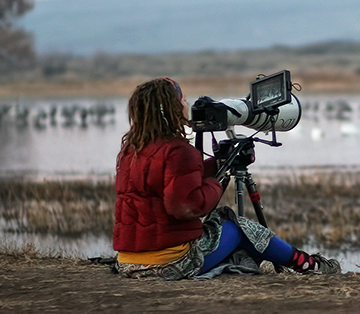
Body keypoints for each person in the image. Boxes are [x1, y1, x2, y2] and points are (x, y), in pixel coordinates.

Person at [113, 77, 340, 280]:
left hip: (128, 262)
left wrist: (220, 163)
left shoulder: (131, 150)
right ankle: (307, 264)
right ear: (170, 109)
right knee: (240, 227)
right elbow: (186, 206)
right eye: (182, 101)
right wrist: (215, 183)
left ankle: (253, 262)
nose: (186, 105)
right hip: (169, 264)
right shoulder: (178, 151)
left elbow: (173, 179)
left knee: (224, 224)